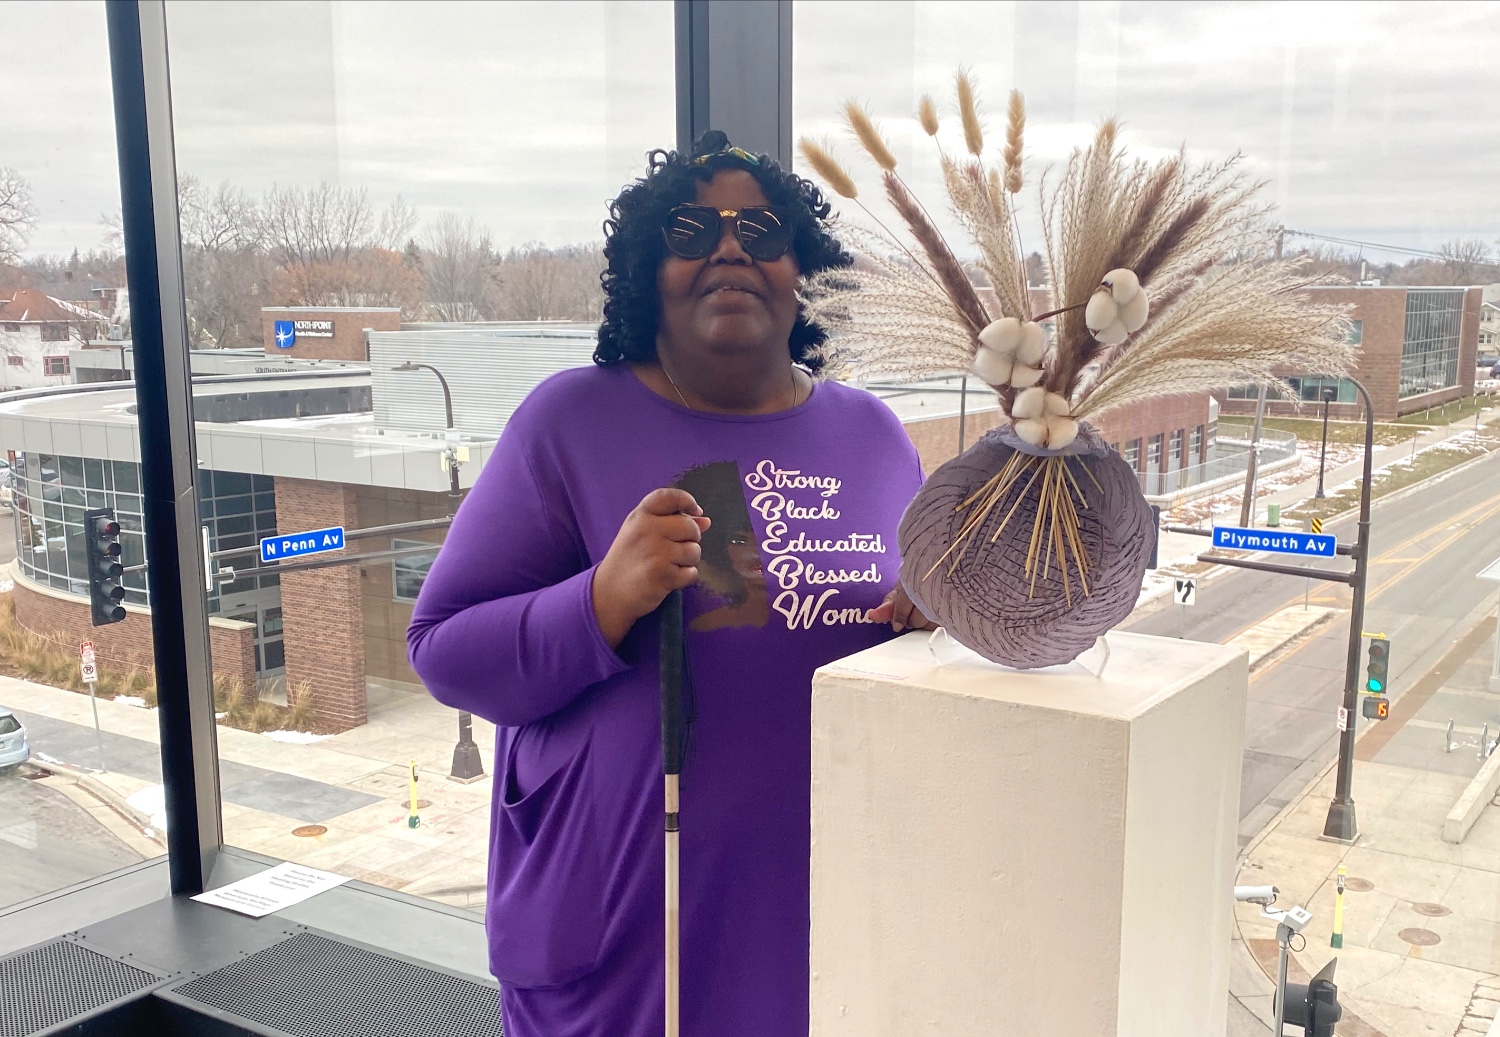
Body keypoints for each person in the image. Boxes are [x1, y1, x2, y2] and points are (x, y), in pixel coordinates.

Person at [407, 130, 932, 1037]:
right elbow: (443, 649)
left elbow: (921, 629)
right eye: (693, 229)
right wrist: (600, 600)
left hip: (820, 907)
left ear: (800, 269)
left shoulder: (874, 436)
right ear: (650, 269)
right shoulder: (570, 420)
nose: (730, 247)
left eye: (761, 232)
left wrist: (933, 620)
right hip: (626, 931)